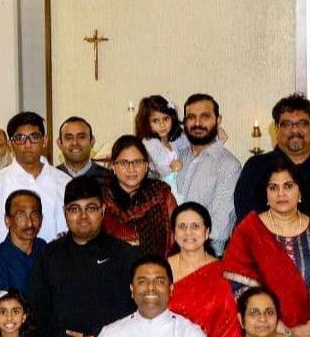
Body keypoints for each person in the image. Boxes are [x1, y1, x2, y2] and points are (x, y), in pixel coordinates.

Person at [26, 175, 138, 337]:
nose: (83, 216)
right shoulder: (49, 256)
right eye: (75, 209)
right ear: (65, 212)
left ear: (103, 210)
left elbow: (135, 311)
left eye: (91, 208)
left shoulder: (125, 255)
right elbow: (36, 311)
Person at [224, 155, 310, 337]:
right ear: (266, 195)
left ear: (300, 193)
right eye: (273, 187)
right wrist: (275, 326)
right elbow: (238, 288)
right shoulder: (248, 232)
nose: (281, 193)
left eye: (288, 186)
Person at [234, 96, 310, 232]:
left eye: (302, 124)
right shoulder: (256, 168)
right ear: (275, 128)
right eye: (286, 124)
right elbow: (248, 220)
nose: (294, 131)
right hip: (265, 250)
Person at [0, 111, 71, 251]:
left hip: (57, 268)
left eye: (34, 137)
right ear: (10, 144)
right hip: (9, 269)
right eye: (20, 138)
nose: (27, 144)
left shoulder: (64, 182)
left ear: (45, 141)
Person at [169, 202, 241, 337]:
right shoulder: (160, 271)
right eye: (182, 226)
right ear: (174, 234)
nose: (188, 232)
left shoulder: (223, 272)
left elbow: (228, 326)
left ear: (207, 232)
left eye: (195, 226)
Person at [177, 94, 242, 252]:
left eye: (205, 116)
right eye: (191, 117)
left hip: (205, 258)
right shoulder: (176, 157)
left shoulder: (228, 166)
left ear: (218, 120)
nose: (197, 123)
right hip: (169, 259)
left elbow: (220, 227)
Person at [102, 135, 178, 253]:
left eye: (137, 162)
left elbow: (175, 238)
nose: (131, 169)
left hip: (157, 269)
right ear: (113, 166)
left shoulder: (161, 194)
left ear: (146, 165)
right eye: (123, 163)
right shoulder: (102, 199)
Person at [0, 190, 43, 304]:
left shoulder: (46, 251)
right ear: (7, 220)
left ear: (41, 218)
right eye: (21, 216)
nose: (30, 223)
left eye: (34, 215)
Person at [135, 95, 189, 184]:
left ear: (172, 118)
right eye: (155, 121)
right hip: (160, 190)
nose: (162, 125)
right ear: (147, 123)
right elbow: (157, 170)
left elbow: (189, 142)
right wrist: (171, 168)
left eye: (166, 119)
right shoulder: (150, 143)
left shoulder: (171, 141)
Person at [55, 116, 109, 181]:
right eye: (68, 138)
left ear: (92, 142)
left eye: (81, 137)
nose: (75, 143)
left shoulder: (108, 179)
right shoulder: (51, 177)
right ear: (60, 143)